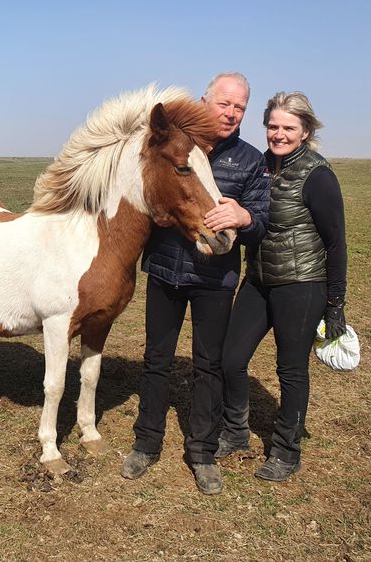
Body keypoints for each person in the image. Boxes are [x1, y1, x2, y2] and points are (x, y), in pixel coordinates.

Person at [121, 73, 270, 494]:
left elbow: (262, 218)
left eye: (239, 107)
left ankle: (202, 452)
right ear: (204, 100)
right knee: (156, 358)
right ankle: (146, 442)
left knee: (209, 364)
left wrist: (246, 218)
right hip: (168, 270)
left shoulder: (249, 160)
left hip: (216, 277)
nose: (230, 113)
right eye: (223, 103)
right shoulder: (174, 145)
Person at [215, 91, 348, 482]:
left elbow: (336, 242)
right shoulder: (259, 167)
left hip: (302, 285)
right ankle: (237, 431)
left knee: (290, 369)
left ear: (305, 131)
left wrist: (335, 304)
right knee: (231, 359)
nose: (279, 134)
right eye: (273, 126)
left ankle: (287, 450)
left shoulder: (318, 174)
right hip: (258, 280)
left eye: (288, 127)